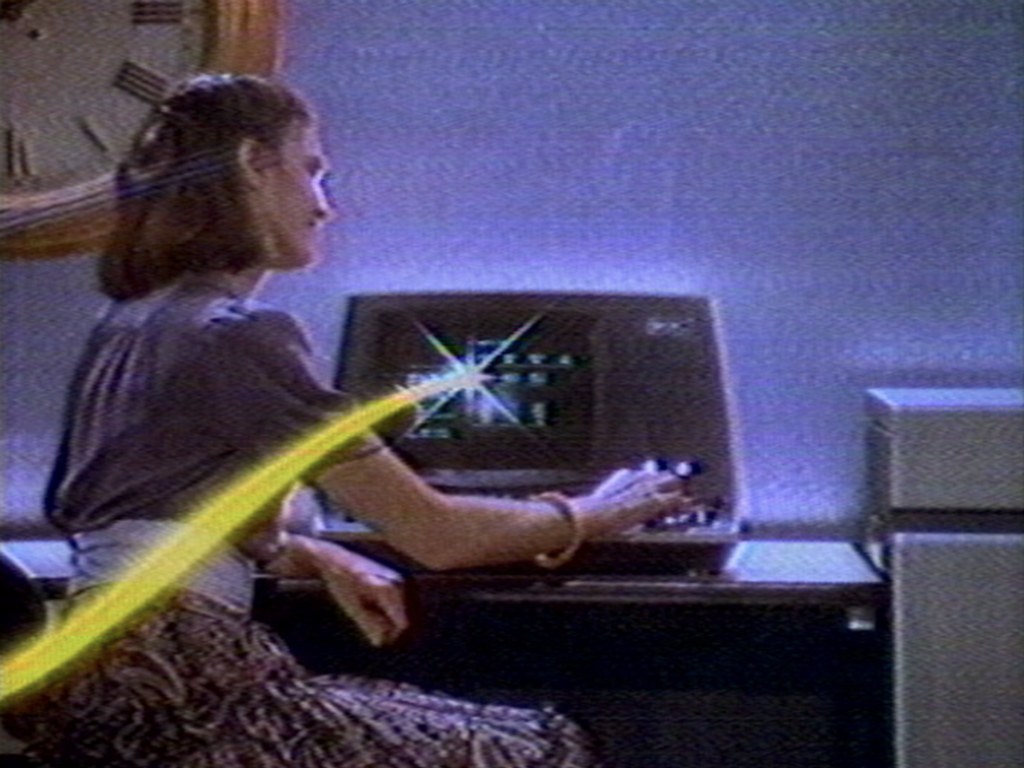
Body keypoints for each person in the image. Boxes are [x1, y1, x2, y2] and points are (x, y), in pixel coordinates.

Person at [2, 74, 686, 768]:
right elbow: (437, 536)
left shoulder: (127, 324)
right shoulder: (240, 334)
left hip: (110, 687)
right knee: (547, 750)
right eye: (312, 169)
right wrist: (592, 512)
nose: (324, 206)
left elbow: (147, 521)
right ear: (252, 164)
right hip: (188, 694)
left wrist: (309, 552)